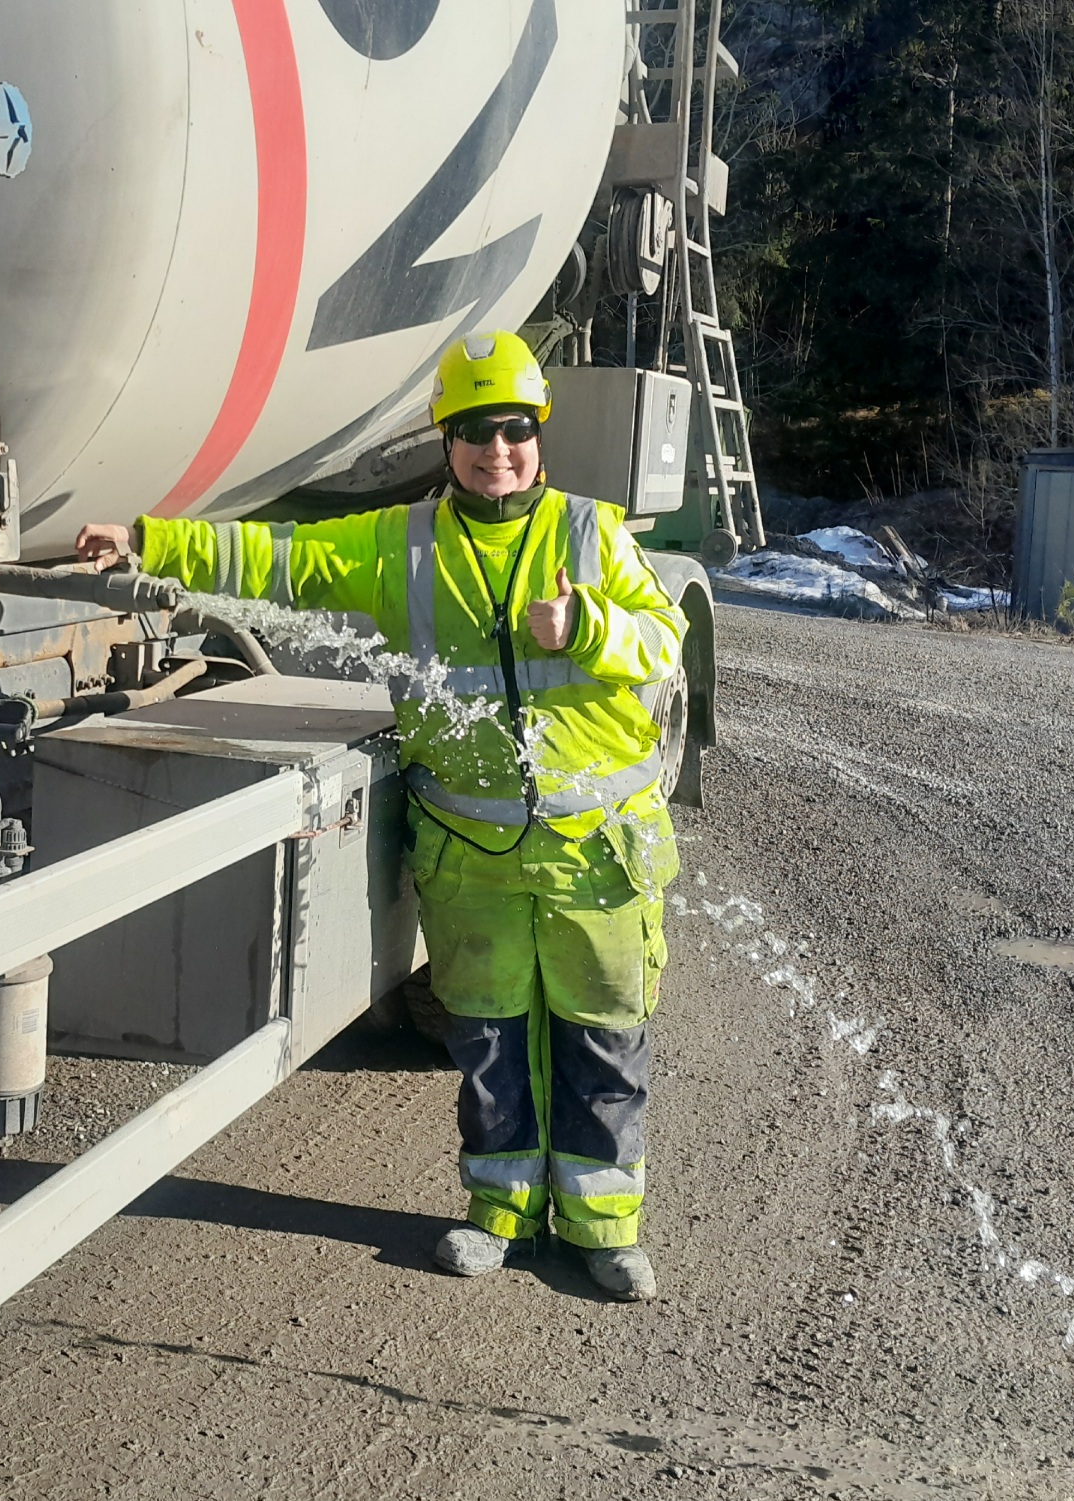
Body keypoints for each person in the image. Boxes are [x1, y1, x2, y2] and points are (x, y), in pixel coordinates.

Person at [75, 332, 684, 1301]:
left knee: (600, 1040)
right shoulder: (400, 545)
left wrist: (589, 628)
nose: (499, 451)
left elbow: (664, 636)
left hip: (594, 857)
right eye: (476, 431)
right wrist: (152, 541)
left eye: (517, 430)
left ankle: (606, 1228)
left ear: (541, 435)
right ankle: (501, 1215)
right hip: (475, 858)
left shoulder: (589, 533)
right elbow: (274, 556)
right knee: (487, 1043)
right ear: (446, 441)